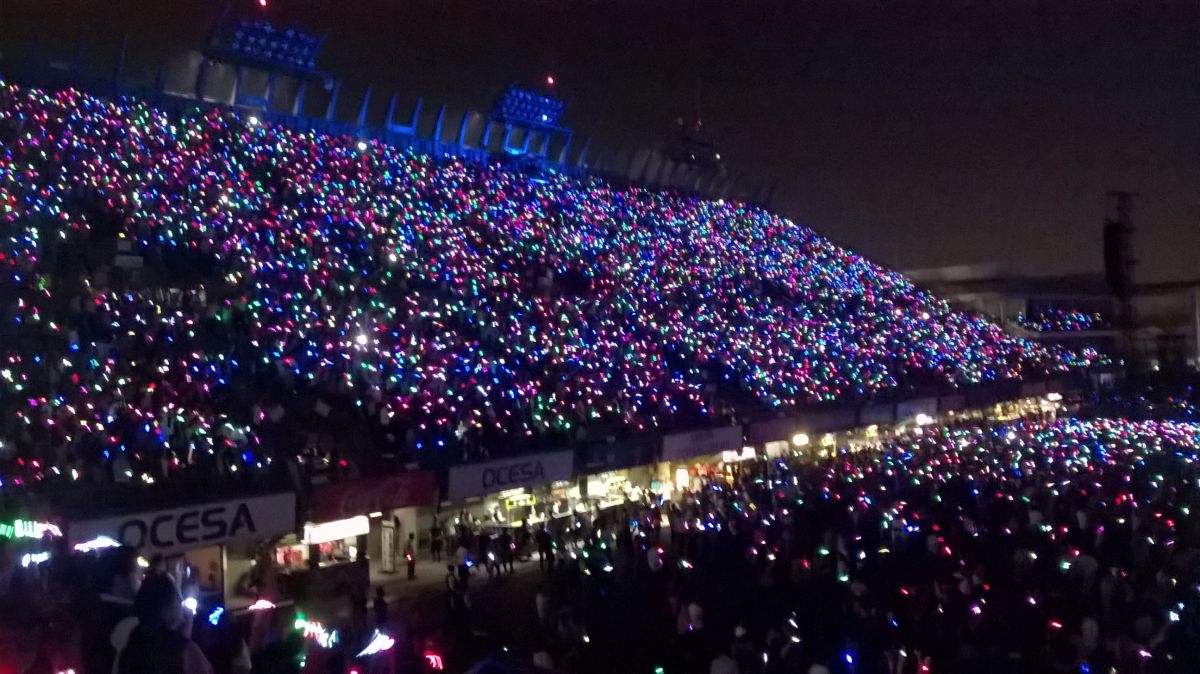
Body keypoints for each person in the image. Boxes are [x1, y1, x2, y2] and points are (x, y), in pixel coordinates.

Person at [113, 573, 213, 674]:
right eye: (177, 596)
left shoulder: (132, 643)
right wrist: (184, 643)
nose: (181, 600)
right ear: (165, 609)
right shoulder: (186, 651)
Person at [82, 547, 143, 674]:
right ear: (118, 581)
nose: (142, 579)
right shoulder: (128, 621)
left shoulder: (92, 611)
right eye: (137, 574)